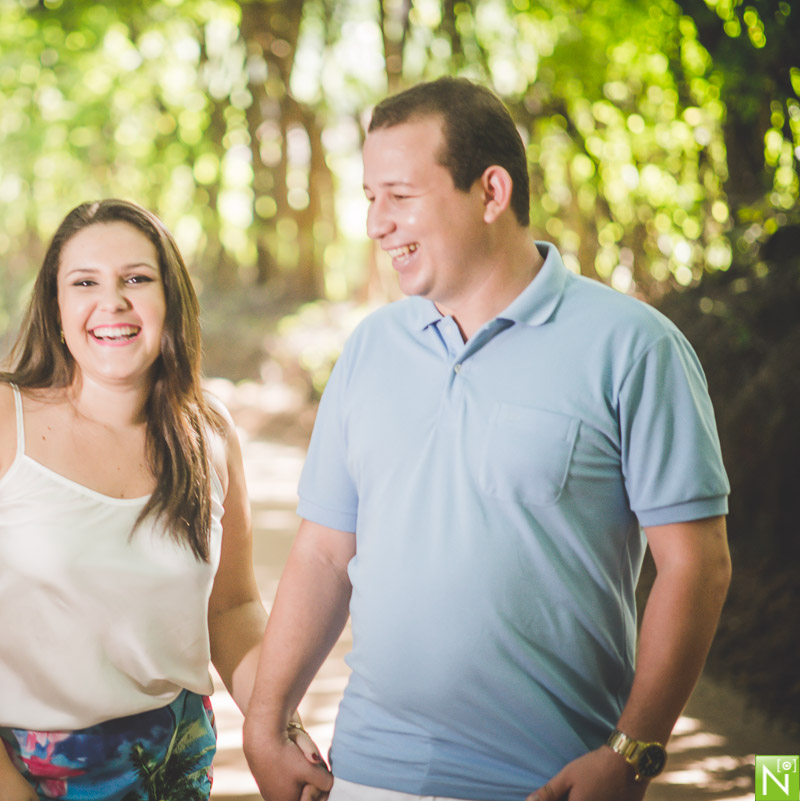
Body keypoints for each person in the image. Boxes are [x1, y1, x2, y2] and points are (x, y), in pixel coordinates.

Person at [242, 77, 732, 801]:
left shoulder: (635, 348)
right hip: (368, 773)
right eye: (370, 198)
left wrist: (632, 753)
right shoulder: (371, 349)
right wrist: (264, 723)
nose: (377, 223)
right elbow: (321, 551)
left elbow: (696, 565)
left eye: (399, 196)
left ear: (490, 191)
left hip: (548, 782)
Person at [0, 198, 321, 801]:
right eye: (84, 282)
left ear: (170, 299)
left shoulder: (210, 433)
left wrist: (279, 727)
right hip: (16, 769)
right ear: (56, 307)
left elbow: (232, 610)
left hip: (171, 765)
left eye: (136, 279)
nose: (112, 302)